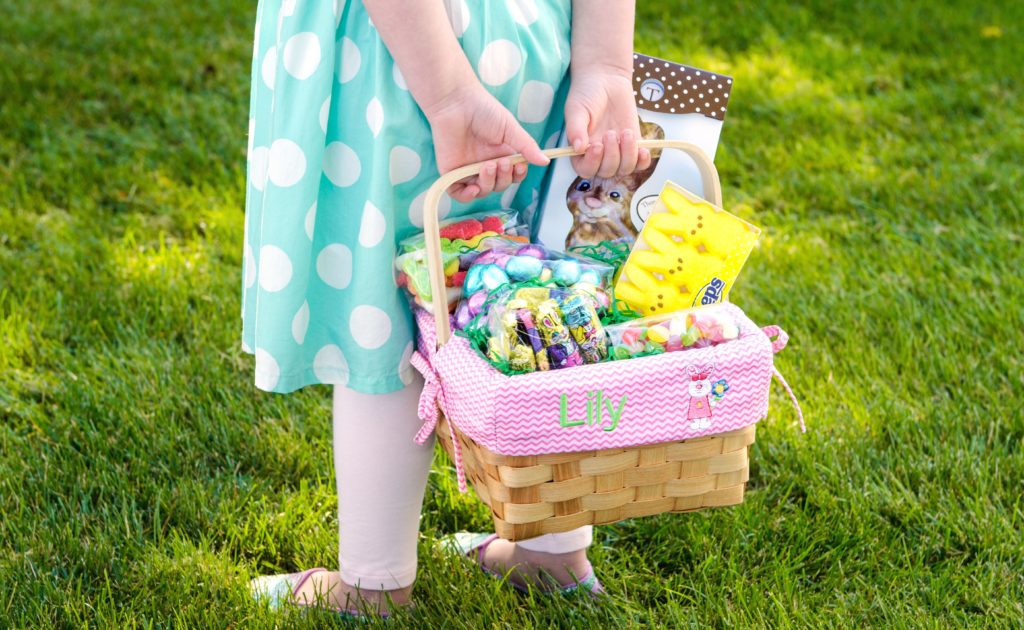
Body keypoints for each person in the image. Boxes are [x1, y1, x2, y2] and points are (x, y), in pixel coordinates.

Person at [244, 0, 649, 616]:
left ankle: (372, 586)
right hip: (536, 43)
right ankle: (551, 553)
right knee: (545, 296)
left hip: (403, 52)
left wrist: (449, 94)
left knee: (383, 311)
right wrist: (605, 65)